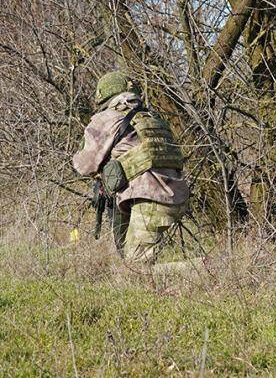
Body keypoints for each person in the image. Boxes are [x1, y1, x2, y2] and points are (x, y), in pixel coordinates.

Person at [73, 71, 189, 265]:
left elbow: (85, 166)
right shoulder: (151, 118)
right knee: (132, 258)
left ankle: (204, 269)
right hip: (177, 195)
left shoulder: (107, 118)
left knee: (136, 268)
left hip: (149, 199)